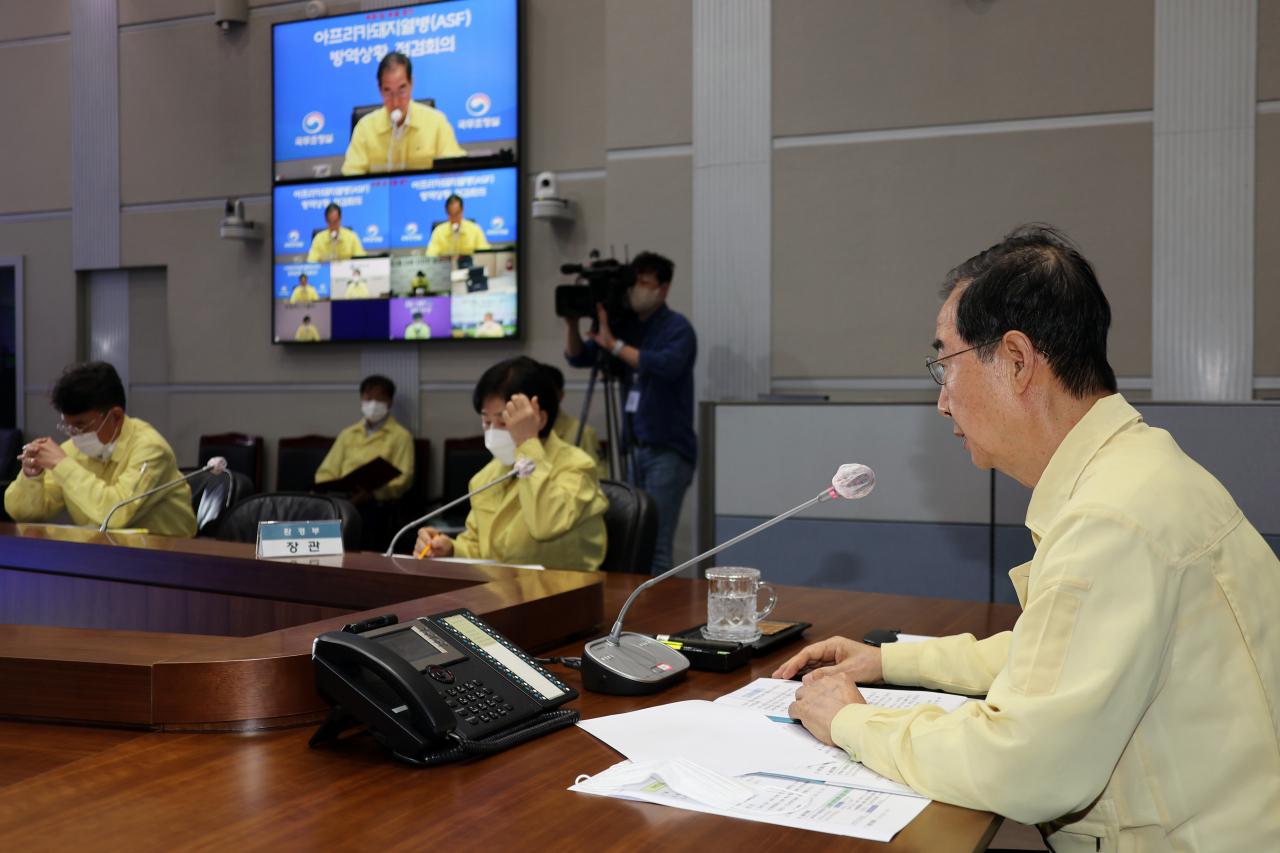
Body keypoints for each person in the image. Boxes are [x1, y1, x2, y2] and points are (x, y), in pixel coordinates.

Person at [778, 226, 1280, 852]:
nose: (941, 403)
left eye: (945, 364)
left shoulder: (1111, 516)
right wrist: (888, 662)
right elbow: (1056, 656)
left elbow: (1026, 767)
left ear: (1016, 361)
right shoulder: (1141, 470)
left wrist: (850, 720)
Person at [565, 251, 696, 575]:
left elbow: (664, 366)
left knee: (657, 545)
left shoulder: (677, 327)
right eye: (634, 281)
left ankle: (663, 620)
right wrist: (572, 321)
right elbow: (580, 357)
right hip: (632, 448)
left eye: (644, 282)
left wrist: (615, 345)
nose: (636, 289)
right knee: (635, 542)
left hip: (667, 450)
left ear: (662, 288)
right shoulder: (626, 327)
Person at [413, 356, 608, 572]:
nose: (492, 431)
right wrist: (450, 551)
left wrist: (527, 444)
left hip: (565, 595)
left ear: (540, 419)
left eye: (504, 422)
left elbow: (546, 524)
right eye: (487, 421)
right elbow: (480, 550)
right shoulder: (487, 476)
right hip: (502, 593)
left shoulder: (577, 466)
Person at [4, 362, 197, 537]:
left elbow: (116, 513)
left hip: (168, 558)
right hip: (104, 555)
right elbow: (22, 513)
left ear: (116, 417)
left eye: (81, 426)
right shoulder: (72, 451)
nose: (73, 435)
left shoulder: (151, 449)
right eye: (68, 427)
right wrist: (31, 477)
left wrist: (63, 465)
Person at [315, 375, 414, 549]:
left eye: (380, 397)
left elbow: (404, 478)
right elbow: (325, 472)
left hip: (374, 504)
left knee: (349, 524)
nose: (373, 402)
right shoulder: (348, 434)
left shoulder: (401, 436)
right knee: (311, 518)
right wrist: (332, 490)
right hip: (340, 499)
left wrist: (372, 494)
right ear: (361, 399)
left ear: (390, 402)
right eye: (369, 397)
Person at [341, 52, 466, 176]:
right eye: (388, 92)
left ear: (411, 83)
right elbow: (352, 178)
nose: (395, 102)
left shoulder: (436, 122)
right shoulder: (365, 129)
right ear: (379, 89)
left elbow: (456, 169)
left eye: (402, 91)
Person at [541, 362, 605, 477]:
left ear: (560, 395)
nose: (540, 398)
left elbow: (599, 480)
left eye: (547, 392)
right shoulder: (521, 432)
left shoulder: (584, 433)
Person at [425, 194, 491, 258]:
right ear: (446, 213)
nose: (454, 218)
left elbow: (485, 254)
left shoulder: (475, 230)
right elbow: (430, 256)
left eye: (457, 214)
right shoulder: (438, 232)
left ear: (462, 210)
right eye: (451, 214)